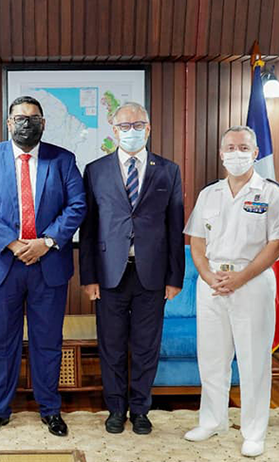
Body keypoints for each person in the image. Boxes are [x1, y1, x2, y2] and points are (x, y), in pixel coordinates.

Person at [0, 96, 86, 438]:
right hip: (2, 267)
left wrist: (45, 242)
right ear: (8, 122)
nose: (26, 123)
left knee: (48, 342)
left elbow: (78, 205)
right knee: (2, 343)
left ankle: (50, 410)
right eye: (20, 117)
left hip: (48, 265)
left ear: (43, 123)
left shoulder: (62, 160)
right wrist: (14, 243)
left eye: (33, 118)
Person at [183, 125, 279, 458]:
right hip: (212, 284)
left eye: (243, 148)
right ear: (221, 153)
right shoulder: (209, 194)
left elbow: (277, 245)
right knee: (212, 358)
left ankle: (254, 430)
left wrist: (241, 277)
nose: (236, 153)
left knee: (253, 359)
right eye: (230, 148)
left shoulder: (272, 193)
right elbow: (197, 242)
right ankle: (212, 420)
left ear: (256, 152)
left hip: (253, 284)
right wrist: (207, 275)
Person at [79, 102, 184, 435]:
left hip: (151, 275)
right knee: (110, 345)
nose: (131, 131)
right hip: (110, 274)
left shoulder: (168, 170)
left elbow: (174, 226)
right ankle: (115, 409)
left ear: (148, 128)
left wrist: (174, 277)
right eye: (124, 126)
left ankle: (140, 409)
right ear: (114, 131)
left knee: (145, 346)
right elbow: (89, 229)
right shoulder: (95, 170)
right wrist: (89, 277)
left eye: (138, 125)